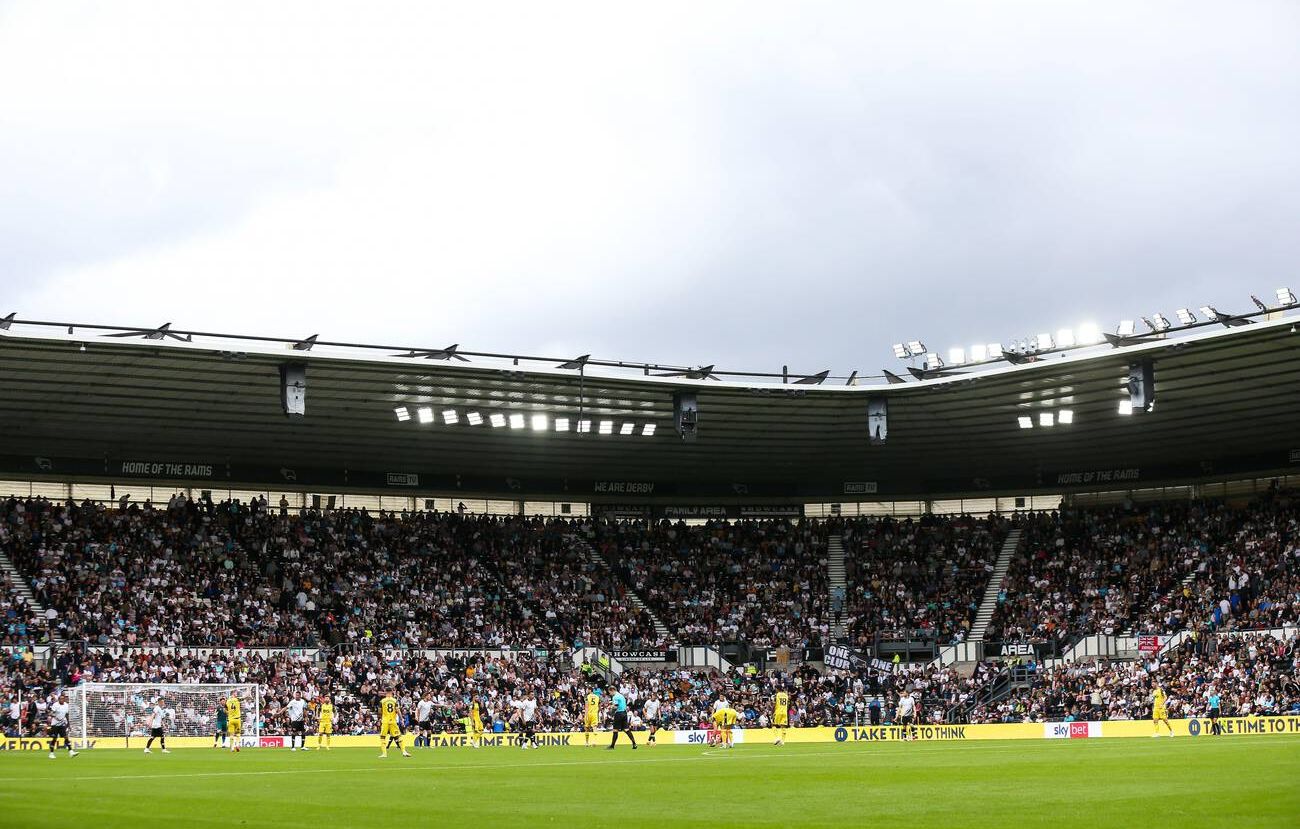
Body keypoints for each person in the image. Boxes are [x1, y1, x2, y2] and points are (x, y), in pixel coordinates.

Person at [379, 689, 409, 758]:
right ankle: (404, 751)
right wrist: (401, 719)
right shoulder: (395, 700)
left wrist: (382, 717)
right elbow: (398, 710)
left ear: (386, 692)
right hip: (393, 721)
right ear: (391, 692)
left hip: (385, 721)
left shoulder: (382, 701)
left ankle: (384, 754)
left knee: (383, 737)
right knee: (398, 736)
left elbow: (379, 712)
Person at [47, 694, 78, 759]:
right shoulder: (55, 705)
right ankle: (51, 753)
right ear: (58, 699)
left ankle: (71, 752)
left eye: (63, 699)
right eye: (60, 699)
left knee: (65, 737)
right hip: (55, 724)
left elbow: (67, 715)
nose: (61, 700)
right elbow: (50, 713)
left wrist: (68, 724)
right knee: (54, 738)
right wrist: (56, 717)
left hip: (62, 724)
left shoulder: (66, 705)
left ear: (64, 699)